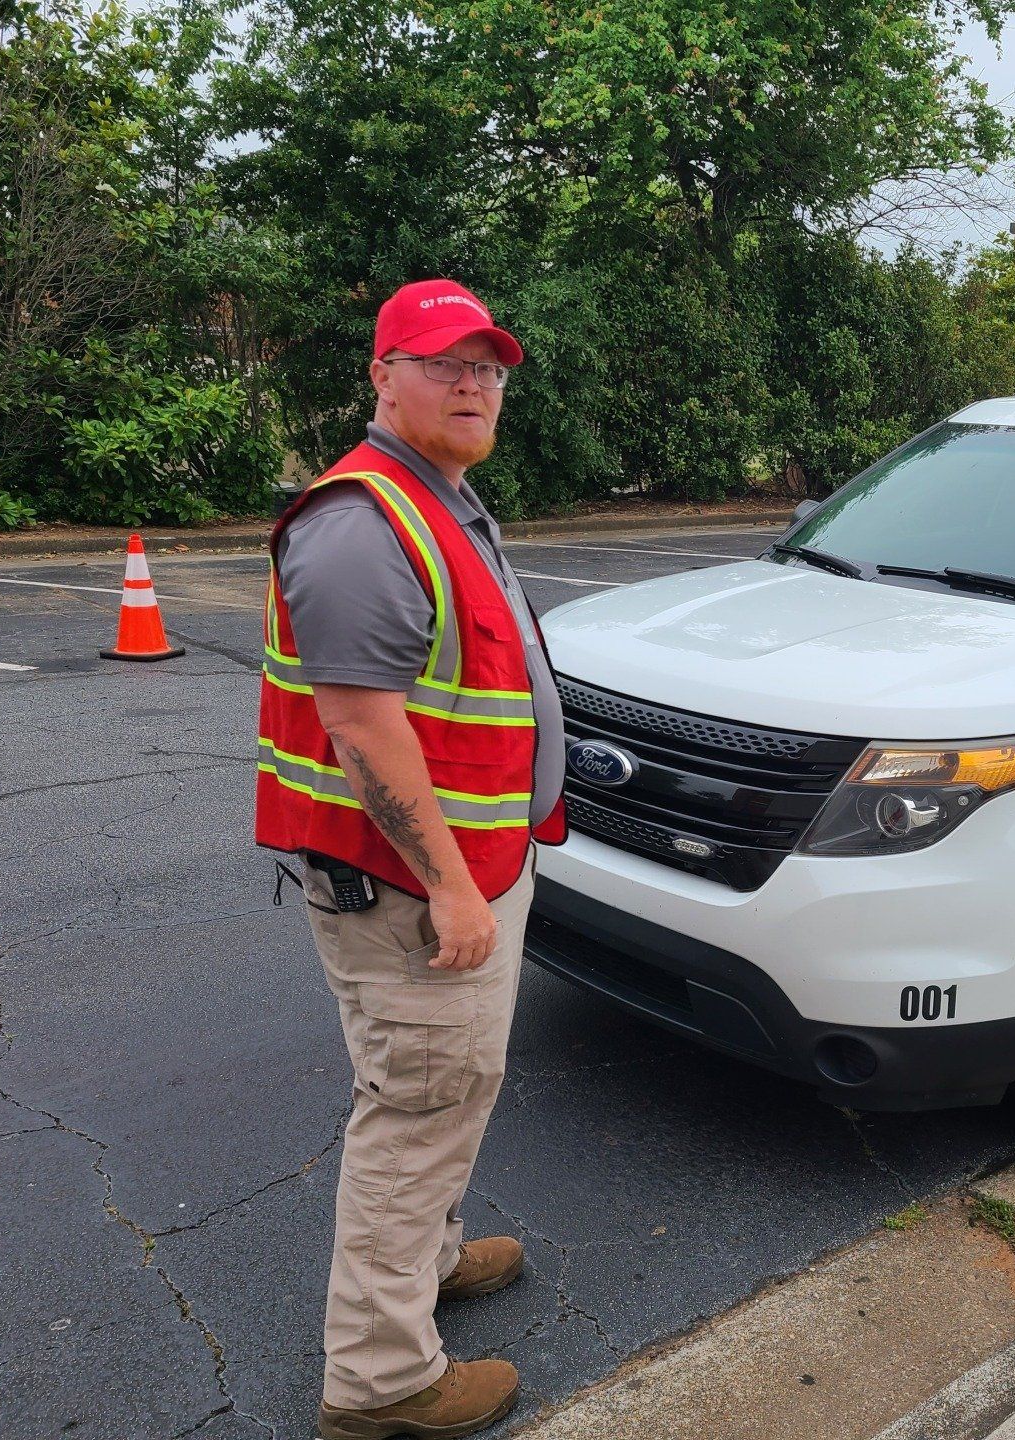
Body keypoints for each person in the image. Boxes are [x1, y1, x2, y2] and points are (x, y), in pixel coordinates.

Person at [254, 278, 567, 1440]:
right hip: (414, 892)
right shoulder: (362, 522)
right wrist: (449, 886)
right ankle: (382, 1382)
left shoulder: (437, 499)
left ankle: (426, 1259)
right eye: (446, 362)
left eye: (489, 366)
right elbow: (364, 727)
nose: (476, 383)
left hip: (466, 873)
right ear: (383, 375)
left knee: (446, 1092)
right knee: (418, 1107)